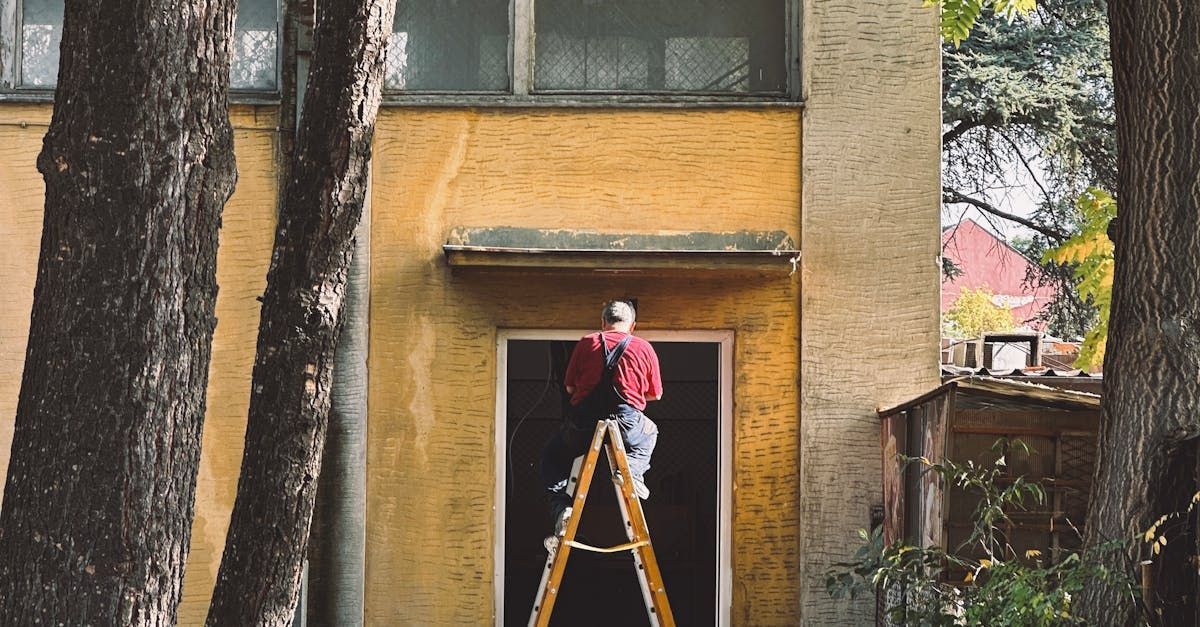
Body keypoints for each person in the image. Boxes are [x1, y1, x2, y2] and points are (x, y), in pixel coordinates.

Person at [540, 300, 663, 548]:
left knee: (551, 457)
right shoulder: (643, 347)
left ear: (602, 322)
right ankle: (633, 473)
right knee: (650, 431)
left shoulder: (587, 343)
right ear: (633, 326)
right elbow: (655, 395)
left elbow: (570, 387)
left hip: (584, 425)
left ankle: (561, 508)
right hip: (626, 424)